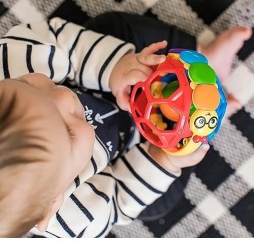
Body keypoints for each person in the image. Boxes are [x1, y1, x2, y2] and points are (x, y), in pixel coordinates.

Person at [0, 12, 251, 238]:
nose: (64, 96)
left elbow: (55, 39)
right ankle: (201, 119)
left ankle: (201, 60)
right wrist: (162, 161)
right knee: (157, 203)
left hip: (112, 76)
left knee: (111, 25)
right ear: (53, 202)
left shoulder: (10, 62)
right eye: (67, 131)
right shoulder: (72, 219)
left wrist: (114, 68)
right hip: (138, 149)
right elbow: (117, 200)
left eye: (28, 85)